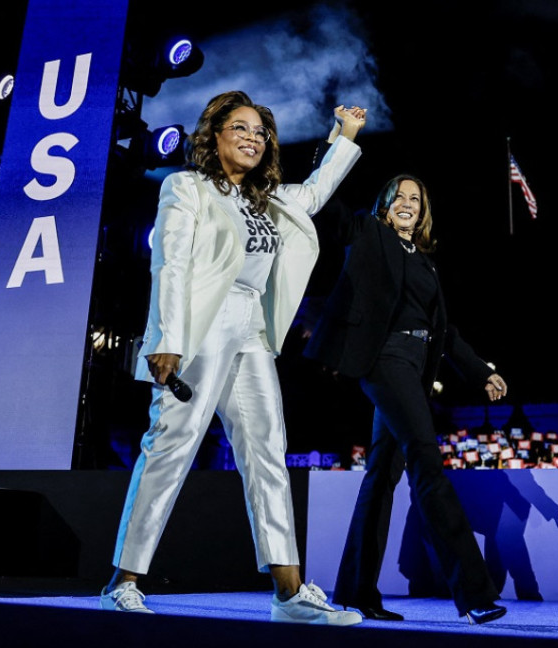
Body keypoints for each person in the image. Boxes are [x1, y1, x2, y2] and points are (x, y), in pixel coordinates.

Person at [100, 91, 366, 625]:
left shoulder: (270, 200)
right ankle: (123, 581)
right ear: (214, 136)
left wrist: (345, 138)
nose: (252, 137)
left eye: (261, 132)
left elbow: (313, 192)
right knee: (171, 446)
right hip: (202, 325)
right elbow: (170, 265)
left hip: (253, 329)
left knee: (269, 450)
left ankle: (289, 593)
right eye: (240, 128)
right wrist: (167, 338)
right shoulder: (187, 188)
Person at [303, 126, 510, 625]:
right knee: (426, 462)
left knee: (382, 477)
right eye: (398, 195)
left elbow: (444, 330)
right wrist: (333, 146)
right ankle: (474, 593)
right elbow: (325, 205)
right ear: (384, 203)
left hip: (416, 370)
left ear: (424, 211)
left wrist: (481, 371)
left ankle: (355, 592)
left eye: (415, 198)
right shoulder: (367, 233)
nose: (406, 202)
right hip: (383, 361)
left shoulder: (426, 264)